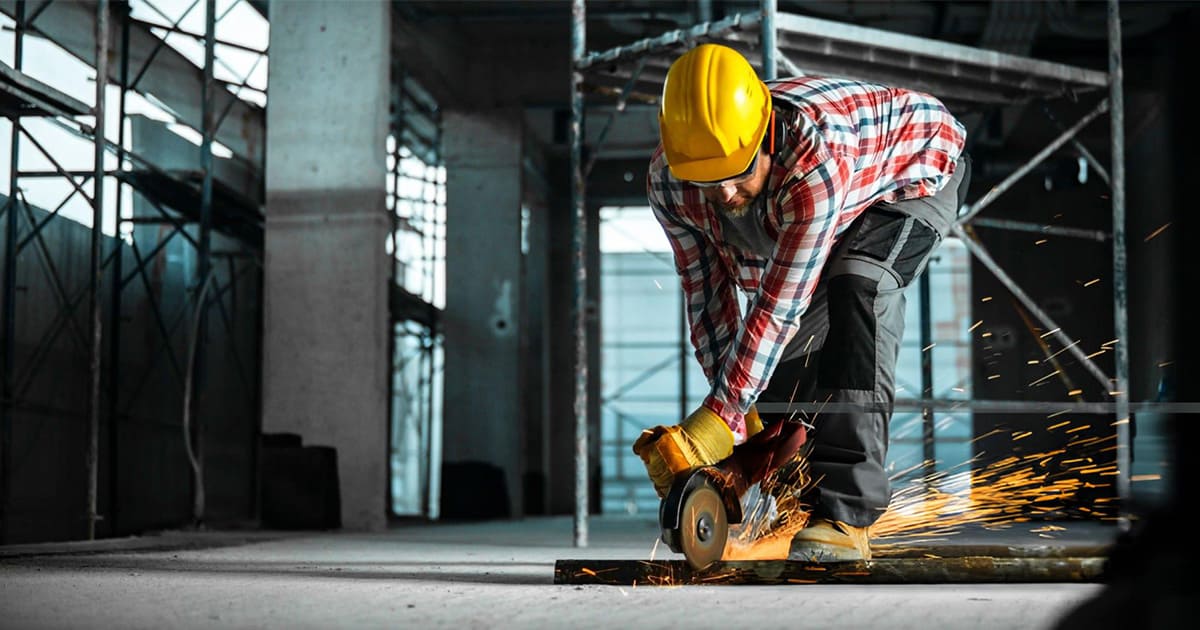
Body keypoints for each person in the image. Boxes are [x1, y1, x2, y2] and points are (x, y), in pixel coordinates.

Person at [632, 43, 971, 562]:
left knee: (861, 284)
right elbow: (708, 299)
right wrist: (740, 424)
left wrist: (716, 418)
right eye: (706, 180)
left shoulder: (814, 161)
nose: (723, 195)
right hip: (836, 198)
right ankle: (803, 502)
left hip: (913, 175)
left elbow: (777, 307)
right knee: (781, 368)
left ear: (766, 136)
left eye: (736, 174)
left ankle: (847, 514)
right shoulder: (669, 181)